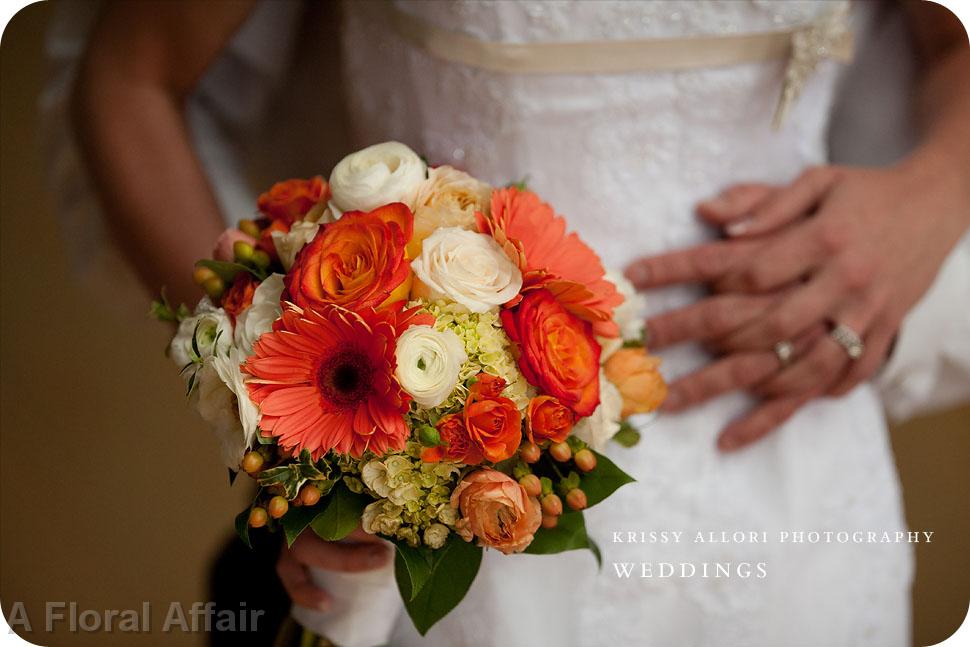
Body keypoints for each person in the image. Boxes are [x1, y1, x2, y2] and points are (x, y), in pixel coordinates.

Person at [58, 1, 970, 645]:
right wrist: (277, 397)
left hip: (798, 472)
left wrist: (927, 201)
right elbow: (131, 75)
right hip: (442, 501)